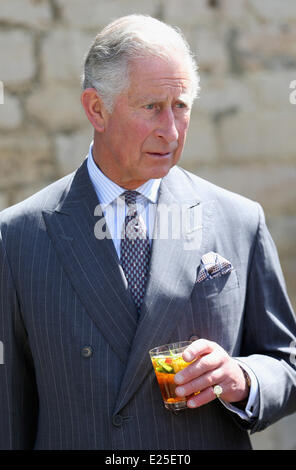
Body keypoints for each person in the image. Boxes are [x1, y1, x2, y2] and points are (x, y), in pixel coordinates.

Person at [0, 14, 295, 451]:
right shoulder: (19, 236)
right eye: (152, 107)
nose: (171, 131)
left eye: (181, 106)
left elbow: (285, 365)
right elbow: (9, 412)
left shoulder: (239, 219)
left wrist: (243, 378)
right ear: (97, 109)